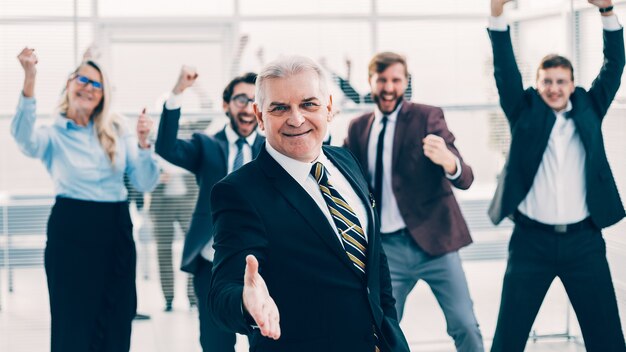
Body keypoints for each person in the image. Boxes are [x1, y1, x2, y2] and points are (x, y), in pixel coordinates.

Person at [208, 56, 410, 352]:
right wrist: (245, 302)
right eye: (279, 108)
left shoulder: (345, 161)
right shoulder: (239, 192)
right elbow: (222, 291)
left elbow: (374, 266)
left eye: (308, 104)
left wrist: (391, 329)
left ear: (328, 107)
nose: (296, 118)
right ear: (260, 116)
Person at [487, 1, 626, 351]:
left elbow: (614, 66)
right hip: (531, 243)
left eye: (561, 81)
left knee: (608, 339)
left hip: (584, 242)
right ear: (536, 84)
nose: (554, 88)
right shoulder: (523, 111)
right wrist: (497, 13)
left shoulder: (590, 107)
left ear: (573, 84)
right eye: (546, 81)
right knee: (508, 339)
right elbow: (504, 69)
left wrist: (607, 10)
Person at [12, 48, 159, 351]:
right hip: (71, 231)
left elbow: (145, 181)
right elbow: (24, 138)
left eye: (96, 84)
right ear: (69, 83)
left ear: (103, 95)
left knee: (117, 316)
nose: (88, 87)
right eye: (82, 79)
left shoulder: (117, 130)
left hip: (116, 230)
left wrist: (145, 145)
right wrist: (30, 79)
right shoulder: (53, 134)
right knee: (73, 322)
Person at [344, 52, 484, 352]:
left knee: (465, 325)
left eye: (396, 80)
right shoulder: (358, 128)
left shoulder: (427, 117)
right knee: (379, 330)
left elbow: (465, 177)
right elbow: (343, 176)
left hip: (436, 244)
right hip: (387, 250)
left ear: (405, 82)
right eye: (382, 80)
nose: (389, 87)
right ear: (370, 82)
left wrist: (449, 162)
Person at [155, 68, 263, 351]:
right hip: (212, 262)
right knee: (215, 343)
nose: (249, 107)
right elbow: (166, 148)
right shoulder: (207, 145)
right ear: (225, 105)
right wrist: (176, 94)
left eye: (256, 100)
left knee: (265, 340)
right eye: (241, 99)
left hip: (263, 261)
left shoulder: (272, 148)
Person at [150, 161, 197, 312]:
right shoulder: (154, 143)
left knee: (194, 249)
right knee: (163, 252)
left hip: (188, 200)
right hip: (162, 203)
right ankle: (168, 298)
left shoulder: (191, 139)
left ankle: (193, 296)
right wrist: (157, 176)